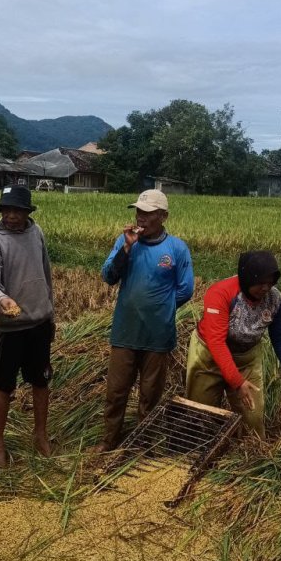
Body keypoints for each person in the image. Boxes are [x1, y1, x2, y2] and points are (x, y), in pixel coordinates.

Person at [97, 189, 194, 451]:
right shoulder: (125, 241)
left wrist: (161, 310)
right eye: (139, 211)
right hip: (125, 331)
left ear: (163, 216)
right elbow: (108, 276)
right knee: (116, 391)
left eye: (148, 213)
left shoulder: (176, 248)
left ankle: (142, 444)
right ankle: (109, 440)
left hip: (157, 336)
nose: (141, 217)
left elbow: (186, 289)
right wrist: (126, 249)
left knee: (150, 395)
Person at [185, 250, 281, 437]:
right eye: (260, 282)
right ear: (246, 279)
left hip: (246, 358)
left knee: (252, 418)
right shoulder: (221, 293)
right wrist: (237, 382)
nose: (265, 288)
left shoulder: (275, 300)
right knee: (200, 415)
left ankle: (248, 449)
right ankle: (202, 446)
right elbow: (216, 342)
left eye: (270, 282)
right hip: (209, 357)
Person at [0, 184, 55, 468]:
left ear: (27, 212)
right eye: (6, 210)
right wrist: (2, 300)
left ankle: (40, 435)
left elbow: (46, 275)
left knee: (41, 381)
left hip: (39, 323)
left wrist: (50, 315)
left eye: (17, 210)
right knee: (3, 386)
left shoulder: (36, 233)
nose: (11, 216)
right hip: (10, 328)